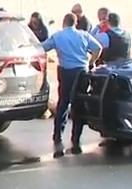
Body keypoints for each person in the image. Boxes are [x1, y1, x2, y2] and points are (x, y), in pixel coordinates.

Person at [41, 13, 102, 158]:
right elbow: (98, 48)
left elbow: (43, 47)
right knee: (79, 103)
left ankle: (57, 135)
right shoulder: (84, 35)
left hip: (65, 71)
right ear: (76, 23)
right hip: (81, 72)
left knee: (63, 102)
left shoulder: (58, 36)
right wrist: (91, 62)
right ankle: (76, 137)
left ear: (63, 22)